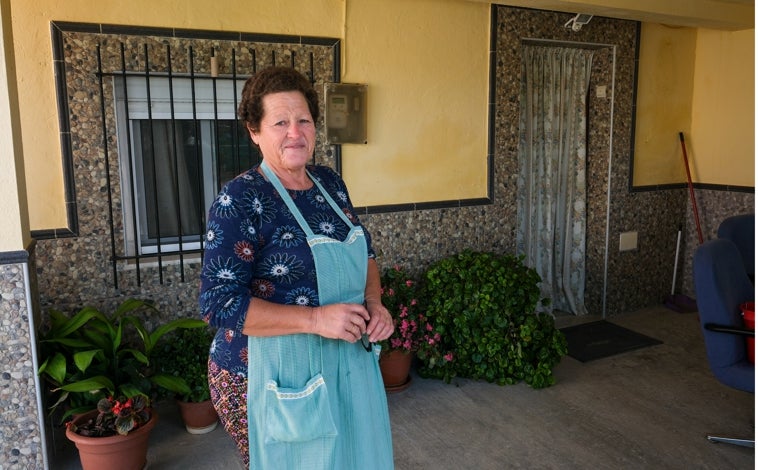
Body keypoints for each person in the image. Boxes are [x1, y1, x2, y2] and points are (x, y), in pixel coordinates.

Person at [199, 66, 395, 469]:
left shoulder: (330, 183)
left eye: (304, 120)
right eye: (280, 122)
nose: (295, 132)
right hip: (266, 376)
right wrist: (316, 319)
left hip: (342, 364)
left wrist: (374, 304)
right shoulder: (240, 198)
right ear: (254, 131)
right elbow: (218, 305)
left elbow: (366, 255)